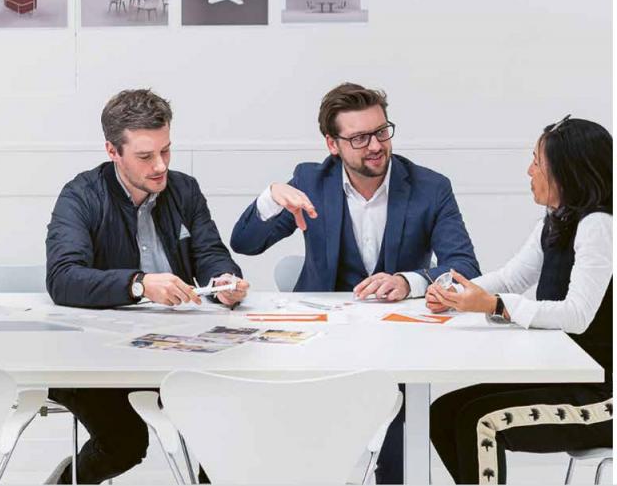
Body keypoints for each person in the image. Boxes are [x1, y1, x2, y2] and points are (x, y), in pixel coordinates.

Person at [230, 82, 480, 484]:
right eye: (360, 138)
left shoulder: (430, 188)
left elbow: (465, 267)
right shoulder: (311, 182)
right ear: (333, 144)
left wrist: (409, 281)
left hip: (397, 342)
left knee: (399, 435)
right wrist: (272, 196)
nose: (376, 145)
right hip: (316, 344)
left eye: (381, 132)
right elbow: (245, 243)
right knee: (293, 441)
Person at [45, 89, 249, 484]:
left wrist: (223, 280)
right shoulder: (81, 195)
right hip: (97, 358)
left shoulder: (184, 190)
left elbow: (210, 253)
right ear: (113, 151)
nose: (160, 166)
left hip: (177, 351)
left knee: (225, 430)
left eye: (166, 151)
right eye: (145, 156)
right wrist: (139, 285)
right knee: (123, 443)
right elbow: (63, 277)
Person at [428, 116, 612, 485]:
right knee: (444, 413)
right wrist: (454, 294)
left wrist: (495, 305)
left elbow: (577, 315)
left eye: (537, 163)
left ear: (568, 173)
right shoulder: (556, 221)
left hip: (604, 395)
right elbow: (512, 277)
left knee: (480, 422)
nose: (529, 171)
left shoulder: (599, 226)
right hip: (569, 378)